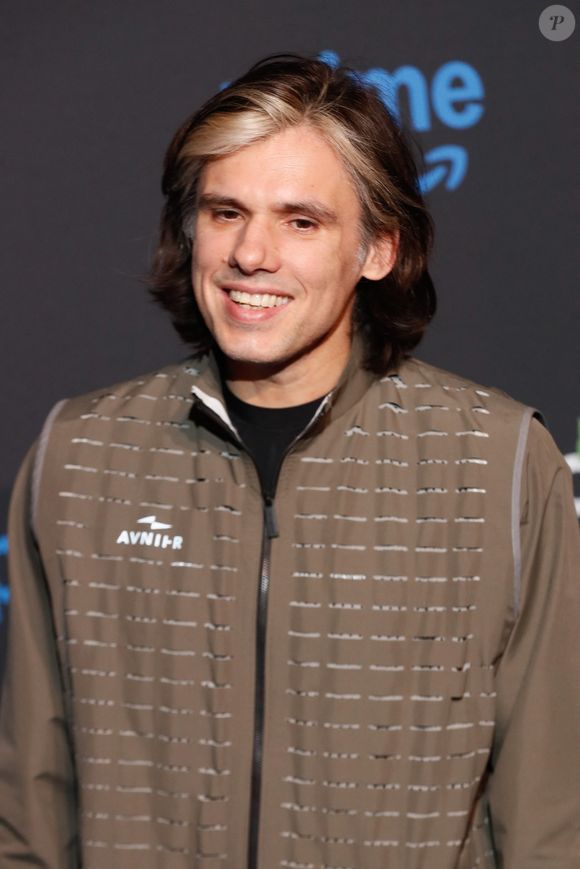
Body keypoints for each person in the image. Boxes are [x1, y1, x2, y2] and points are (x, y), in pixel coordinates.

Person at [0, 54, 578, 869]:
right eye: (225, 211)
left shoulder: (503, 464)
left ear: (378, 248)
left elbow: (554, 825)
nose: (251, 254)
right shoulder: (77, 455)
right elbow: (27, 812)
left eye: (301, 221)